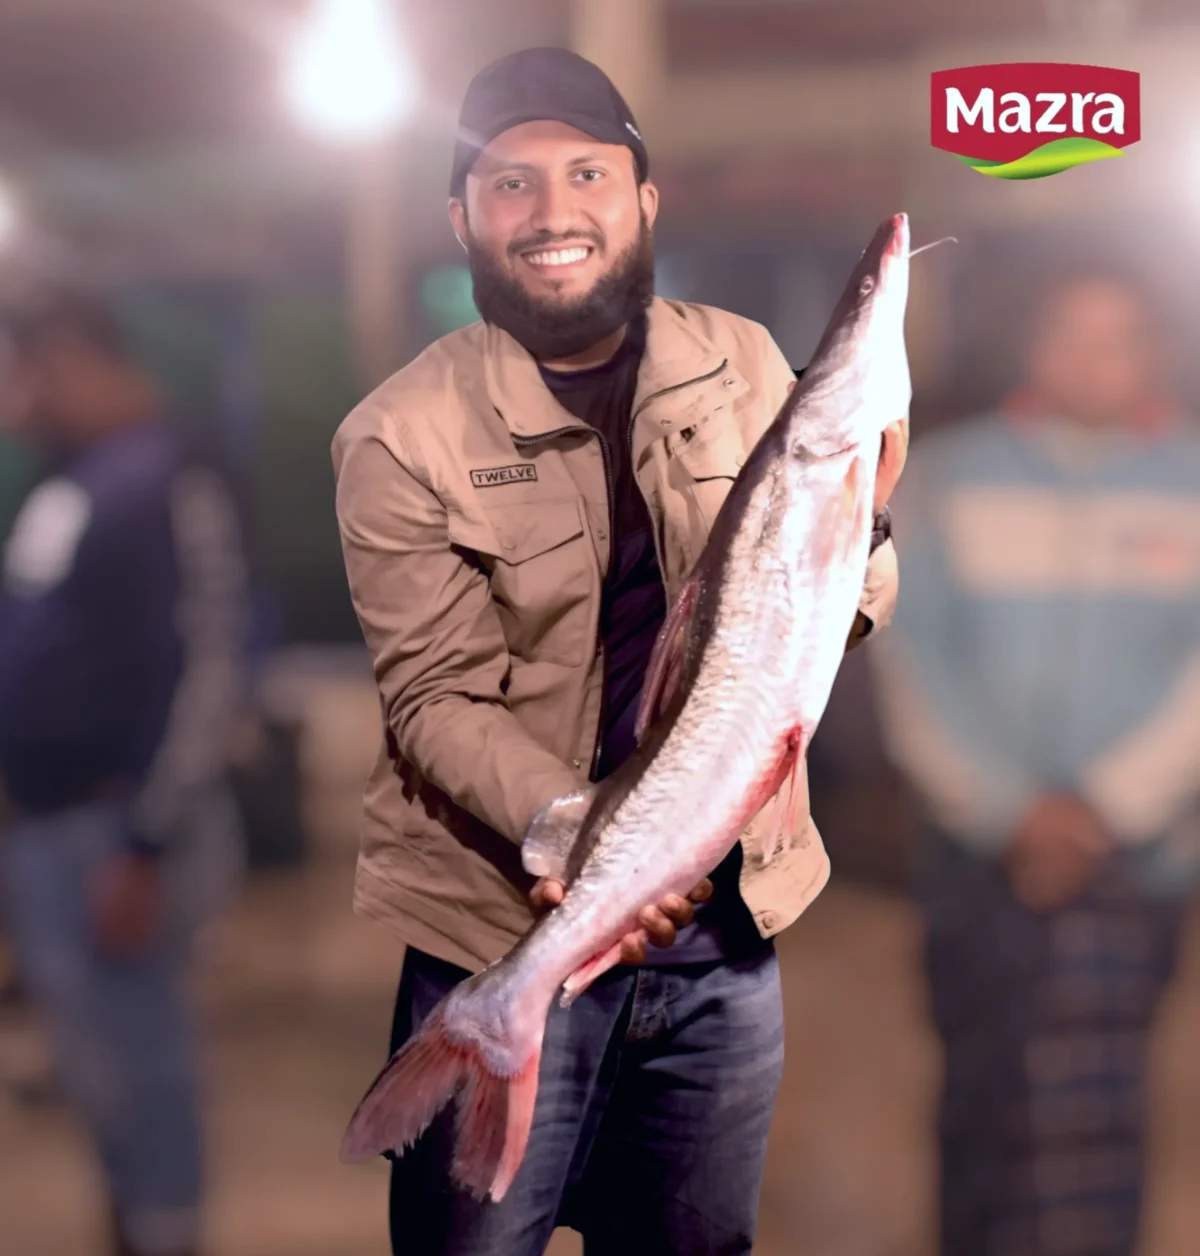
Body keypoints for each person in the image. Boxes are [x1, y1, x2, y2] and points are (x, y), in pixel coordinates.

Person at [332, 46, 906, 1256]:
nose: (552, 212)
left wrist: (865, 528)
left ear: (644, 198)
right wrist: (577, 837)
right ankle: (500, 1025)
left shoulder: (747, 362)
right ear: (461, 218)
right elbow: (430, 695)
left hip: (724, 951)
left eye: (587, 171)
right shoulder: (397, 434)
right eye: (510, 184)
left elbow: (834, 609)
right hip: (501, 922)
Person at [871, 268, 1200, 1256]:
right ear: (1033, 344)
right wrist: (1005, 807)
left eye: (1118, 338)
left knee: (1095, 1108)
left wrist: (1106, 805)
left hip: (1135, 858)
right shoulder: (951, 476)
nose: (1092, 360)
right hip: (974, 850)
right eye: (1071, 334)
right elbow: (907, 651)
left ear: (1154, 351)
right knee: (984, 1086)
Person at [0, 291, 250, 1256]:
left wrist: (147, 840)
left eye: (21, 371)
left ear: (70, 356)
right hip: (52, 829)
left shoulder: (169, 474)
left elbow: (204, 664)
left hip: (121, 835)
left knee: (146, 1071)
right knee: (96, 1071)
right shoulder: (77, 479)